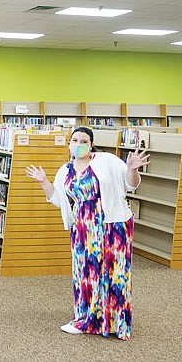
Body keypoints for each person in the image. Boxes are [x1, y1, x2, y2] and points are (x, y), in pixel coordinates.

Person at [25, 126, 149, 340]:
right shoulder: (65, 170)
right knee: (87, 274)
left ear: (91, 144)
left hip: (114, 225)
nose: (79, 144)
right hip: (83, 227)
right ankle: (87, 320)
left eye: (84, 141)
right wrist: (44, 182)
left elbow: (131, 185)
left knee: (115, 273)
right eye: (75, 140)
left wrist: (133, 169)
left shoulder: (107, 160)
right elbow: (57, 199)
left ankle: (115, 322)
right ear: (69, 143)